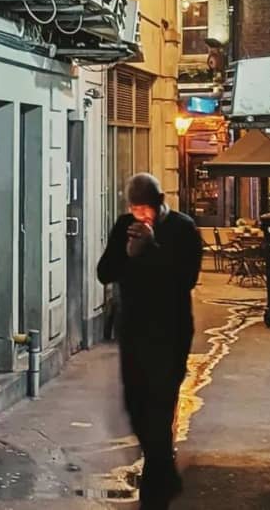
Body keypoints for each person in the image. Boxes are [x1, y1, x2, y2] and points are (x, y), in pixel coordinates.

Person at [97, 173, 203, 509]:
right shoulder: (124, 227)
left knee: (161, 402)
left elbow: (186, 278)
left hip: (170, 331)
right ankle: (163, 468)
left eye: (145, 209)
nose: (140, 215)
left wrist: (152, 248)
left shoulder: (183, 228)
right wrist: (129, 253)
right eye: (134, 208)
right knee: (135, 402)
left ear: (159, 204)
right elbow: (104, 272)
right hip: (134, 329)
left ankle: (157, 485)